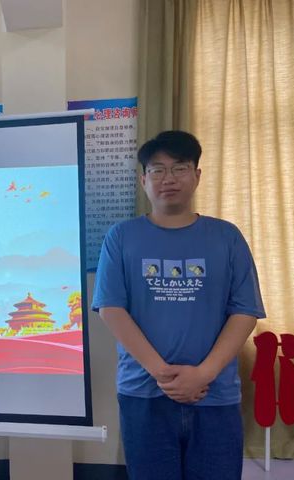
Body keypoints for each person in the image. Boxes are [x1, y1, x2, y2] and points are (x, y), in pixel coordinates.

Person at [92, 130, 265, 479]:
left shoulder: (226, 236)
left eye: (180, 168)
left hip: (214, 394)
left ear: (196, 175)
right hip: (144, 393)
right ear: (143, 180)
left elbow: (245, 311)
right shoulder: (121, 237)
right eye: (157, 170)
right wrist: (162, 373)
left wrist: (203, 374)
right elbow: (111, 309)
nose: (168, 179)